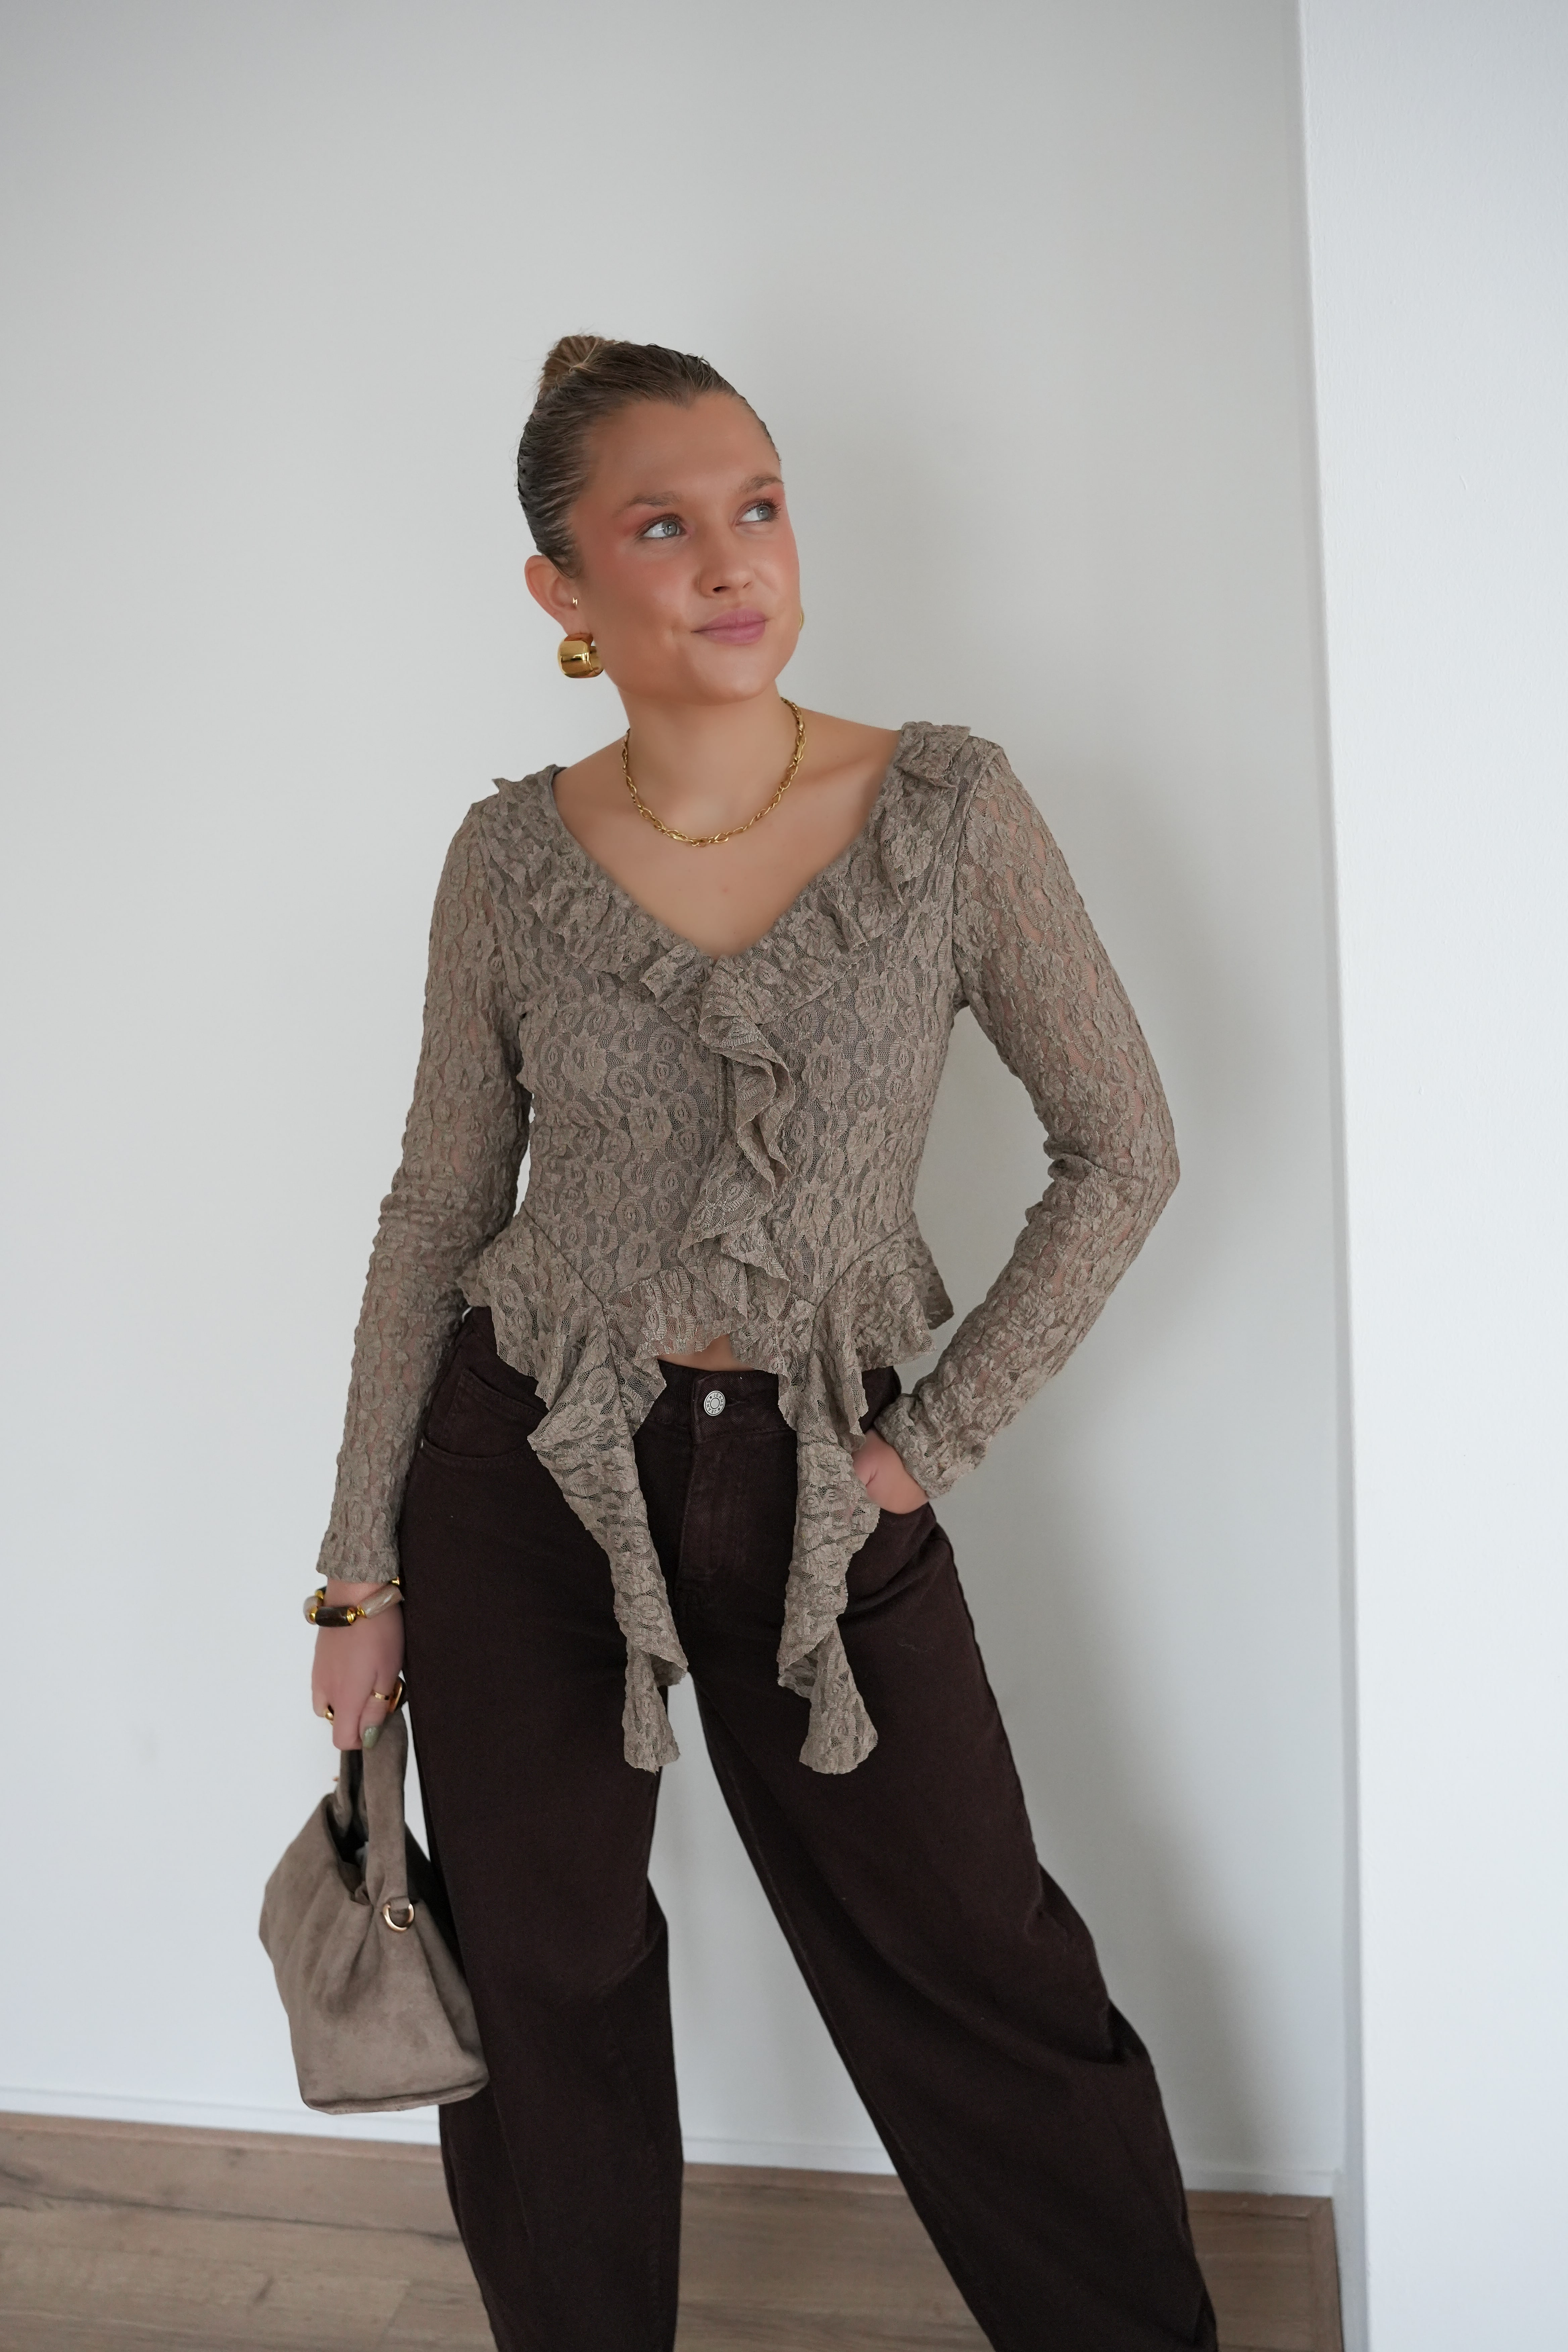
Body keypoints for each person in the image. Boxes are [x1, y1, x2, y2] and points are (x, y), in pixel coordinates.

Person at [308, 334, 1217, 2352]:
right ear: (561, 590)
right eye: (663, 526)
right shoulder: (508, 862)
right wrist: (358, 1571)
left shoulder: (949, 812)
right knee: (543, 1982)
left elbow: (1124, 1149)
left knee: (979, 1957)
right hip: (525, 1477)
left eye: (761, 507)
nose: (734, 561)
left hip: (825, 1487)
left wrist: (915, 1454)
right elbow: (437, 1214)